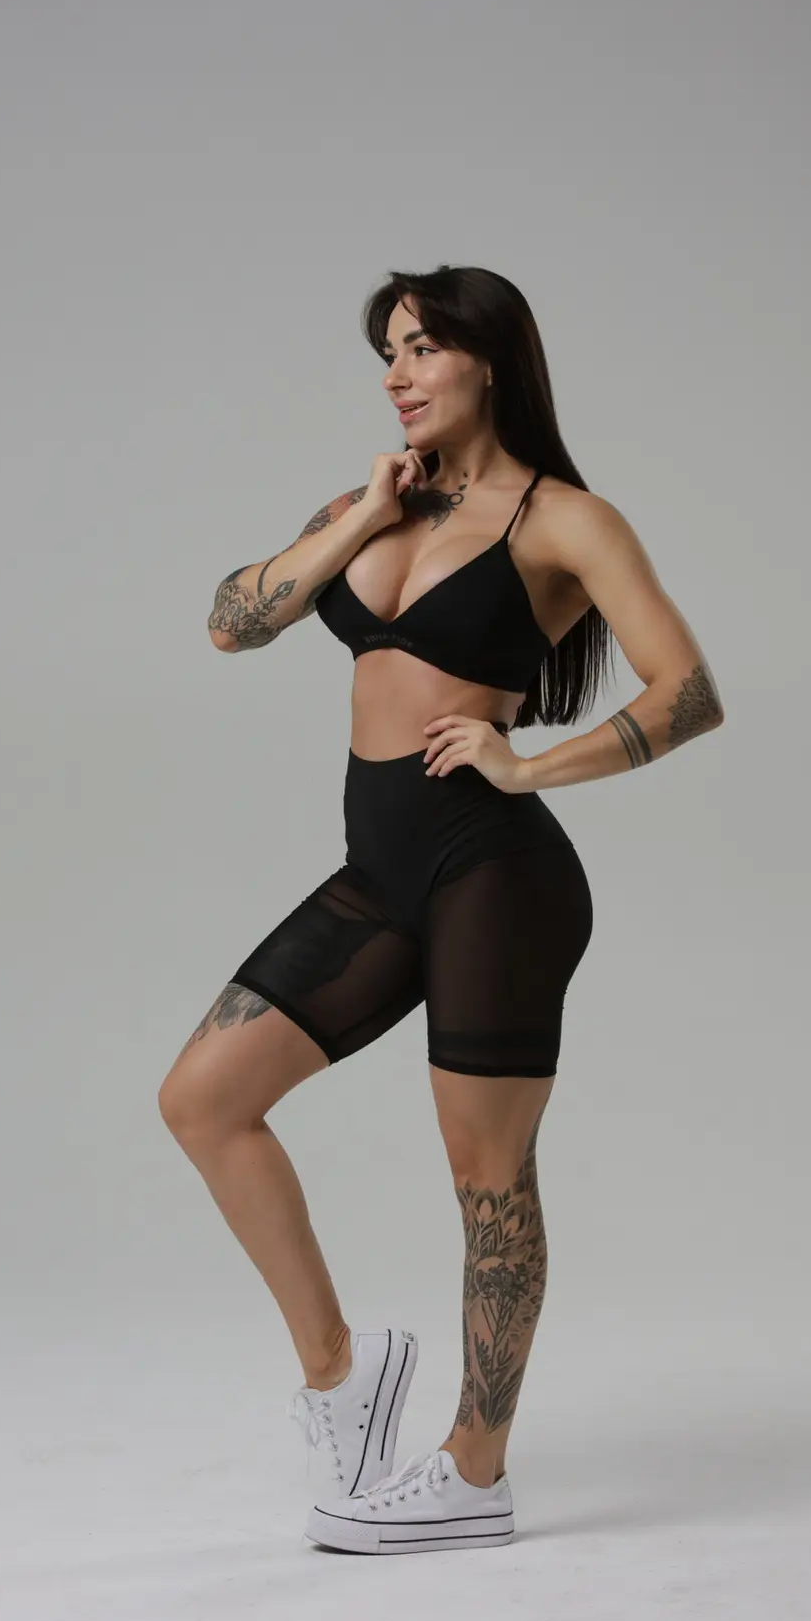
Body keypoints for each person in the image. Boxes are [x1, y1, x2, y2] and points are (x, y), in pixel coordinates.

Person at [158, 264, 725, 1555]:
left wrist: (531, 765)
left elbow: (688, 691)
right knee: (204, 1100)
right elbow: (233, 624)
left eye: (421, 349)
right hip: (381, 874)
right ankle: (342, 1373)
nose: (397, 375)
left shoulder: (563, 520)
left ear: (491, 360)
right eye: (389, 353)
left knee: (487, 1180)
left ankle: (476, 1473)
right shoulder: (373, 505)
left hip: (495, 875)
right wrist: (363, 514)